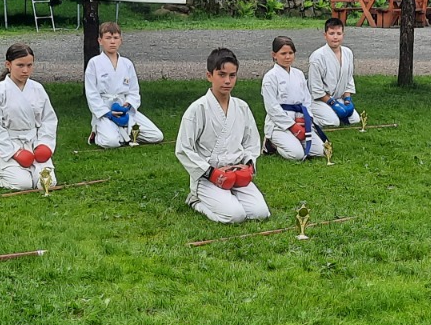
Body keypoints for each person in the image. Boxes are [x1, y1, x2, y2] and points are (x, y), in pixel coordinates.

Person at [176, 47, 270, 224]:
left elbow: (252, 142)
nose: (227, 81)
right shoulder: (198, 109)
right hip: (208, 176)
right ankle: (195, 201)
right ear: (209, 75)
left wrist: (248, 165)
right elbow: (183, 149)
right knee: (235, 216)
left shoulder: (241, 107)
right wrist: (210, 173)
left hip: (236, 173)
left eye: (232, 75)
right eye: (221, 74)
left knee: (261, 213)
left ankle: (229, 196)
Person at [0, 42, 58, 190]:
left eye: (29, 65)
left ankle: (34, 170)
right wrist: (14, 152)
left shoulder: (37, 88)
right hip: (10, 144)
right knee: (22, 184)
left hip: (34, 142)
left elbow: (48, 119)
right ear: (8, 64)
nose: (25, 70)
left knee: (47, 184)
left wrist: (44, 144)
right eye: (20, 65)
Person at [85, 22, 165, 148]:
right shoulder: (94, 63)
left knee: (156, 136)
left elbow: (134, 90)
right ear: (100, 41)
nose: (112, 42)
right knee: (111, 142)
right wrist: (107, 113)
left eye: (115, 38)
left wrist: (128, 104)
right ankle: (99, 134)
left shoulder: (127, 64)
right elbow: (91, 94)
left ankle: (123, 133)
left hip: (124, 109)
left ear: (120, 41)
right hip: (105, 109)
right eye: (108, 38)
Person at [261, 36, 327, 161]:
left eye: (290, 53)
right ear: (274, 55)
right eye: (283, 53)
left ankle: (294, 141)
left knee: (321, 151)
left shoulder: (299, 74)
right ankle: (271, 144)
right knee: (297, 155)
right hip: (279, 125)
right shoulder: (270, 77)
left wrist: (305, 119)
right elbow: (272, 108)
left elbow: (306, 99)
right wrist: (292, 126)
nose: (287, 57)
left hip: (300, 119)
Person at [308, 18, 360, 127]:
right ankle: (309, 117)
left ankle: (334, 111)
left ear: (343, 35)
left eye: (338, 33)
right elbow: (316, 89)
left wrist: (347, 99)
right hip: (318, 100)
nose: (335, 37)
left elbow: (348, 78)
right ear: (325, 35)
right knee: (333, 122)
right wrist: (332, 104)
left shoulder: (348, 53)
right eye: (331, 33)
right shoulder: (317, 57)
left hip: (338, 98)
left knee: (355, 119)